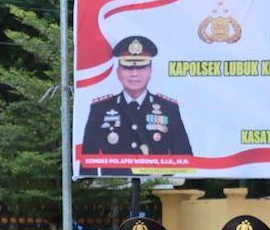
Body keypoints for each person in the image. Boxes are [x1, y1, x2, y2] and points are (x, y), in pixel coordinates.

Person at [80, 36, 192, 176]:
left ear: (150, 71)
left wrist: (164, 177)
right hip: (115, 186)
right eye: (128, 67)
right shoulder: (100, 109)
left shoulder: (168, 108)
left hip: (158, 184)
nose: (134, 74)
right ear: (118, 72)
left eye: (141, 67)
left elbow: (185, 159)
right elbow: (88, 163)